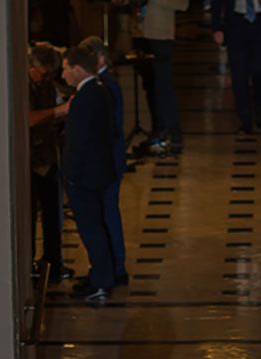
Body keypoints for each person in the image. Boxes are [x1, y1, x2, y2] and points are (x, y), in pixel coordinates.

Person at [58, 39, 128, 306]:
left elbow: (81, 141)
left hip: (85, 175)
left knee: (91, 229)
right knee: (95, 227)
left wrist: (71, 173)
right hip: (96, 171)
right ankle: (100, 274)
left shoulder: (87, 97)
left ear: (78, 69)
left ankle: (101, 281)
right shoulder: (99, 91)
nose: (62, 74)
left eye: (65, 68)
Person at [27, 43, 70, 289]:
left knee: (54, 217)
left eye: (49, 75)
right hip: (30, 162)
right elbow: (27, 118)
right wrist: (57, 112)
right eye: (42, 74)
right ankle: (29, 264)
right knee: (29, 217)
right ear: (31, 67)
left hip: (48, 158)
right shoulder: (24, 85)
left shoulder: (46, 84)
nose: (45, 79)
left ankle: (53, 263)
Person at [211, 0, 261, 136]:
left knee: (259, 70)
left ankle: (259, 109)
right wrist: (216, 27)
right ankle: (245, 120)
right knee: (239, 75)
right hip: (235, 25)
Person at [138, 0, 188, 155]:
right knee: (151, 87)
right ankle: (158, 131)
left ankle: (173, 134)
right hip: (142, 32)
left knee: (163, 89)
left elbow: (183, 4)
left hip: (161, 36)